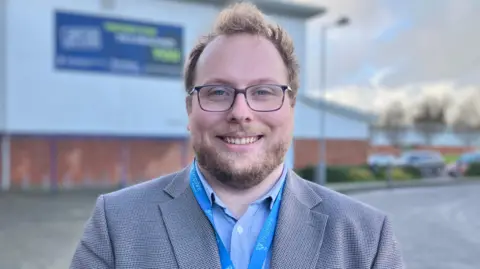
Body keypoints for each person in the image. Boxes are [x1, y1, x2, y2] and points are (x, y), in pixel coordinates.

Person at [70, 2, 405, 269]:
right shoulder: (117, 224)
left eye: (263, 91)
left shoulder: (366, 238)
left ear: (290, 107)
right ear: (190, 109)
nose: (240, 112)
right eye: (217, 92)